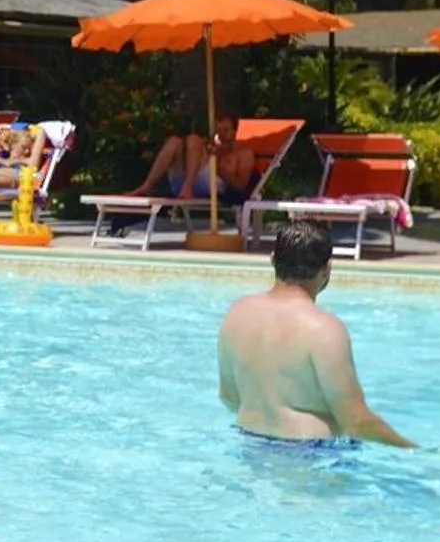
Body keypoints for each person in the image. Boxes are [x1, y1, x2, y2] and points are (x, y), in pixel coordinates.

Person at [218, 218, 415, 448]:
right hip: (309, 453)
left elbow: (229, 397)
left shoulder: (237, 313)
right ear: (326, 269)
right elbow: (356, 422)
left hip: (249, 442)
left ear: (273, 260)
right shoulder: (324, 328)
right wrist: (411, 449)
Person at [131, 113, 256, 203]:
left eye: (226, 130)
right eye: (218, 130)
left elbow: (242, 186)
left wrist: (218, 166)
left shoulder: (243, 152)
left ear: (235, 132)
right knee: (174, 141)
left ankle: (188, 186)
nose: (221, 134)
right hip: (180, 182)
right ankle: (147, 186)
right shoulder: (208, 145)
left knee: (193, 139)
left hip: (212, 184)